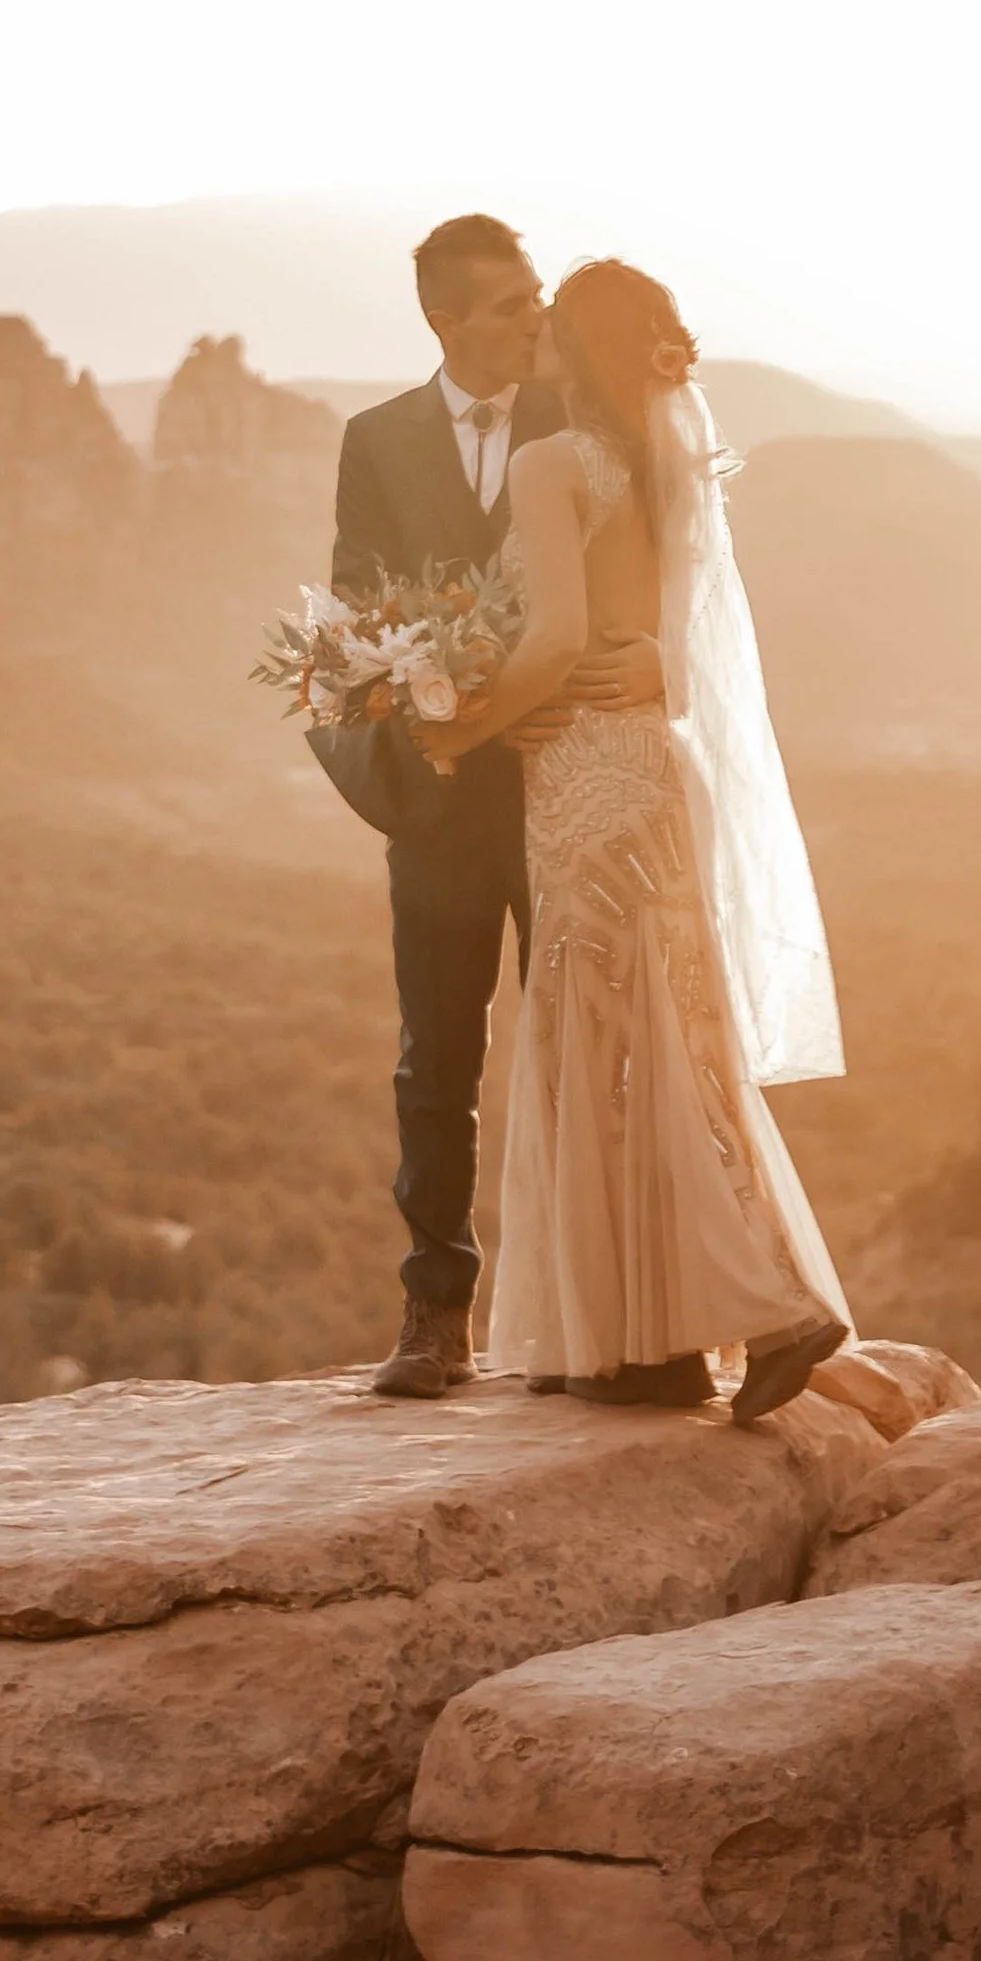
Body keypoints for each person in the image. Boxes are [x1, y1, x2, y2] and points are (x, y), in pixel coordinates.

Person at [418, 258, 851, 1424]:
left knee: (606, 1036)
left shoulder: (553, 464)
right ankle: (655, 1340)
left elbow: (557, 638)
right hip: (659, 765)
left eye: (552, 322)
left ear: (575, 346)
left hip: (587, 774)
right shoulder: (669, 466)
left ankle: (770, 1300)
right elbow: (687, 625)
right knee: (668, 1032)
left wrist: (459, 725)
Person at [331, 215, 650, 1400]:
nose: (535, 320)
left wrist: (661, 656)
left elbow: (662, 555)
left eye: (535, 301)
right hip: (443, 797)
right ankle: (435, 1312)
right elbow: (358, 600)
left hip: (576, 785)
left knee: (590, 1050)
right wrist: (426, 700)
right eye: (512, 305)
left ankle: (600, 1316)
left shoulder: (583, 419)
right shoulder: (374, 439)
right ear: (442, 319)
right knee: (436, 1060)